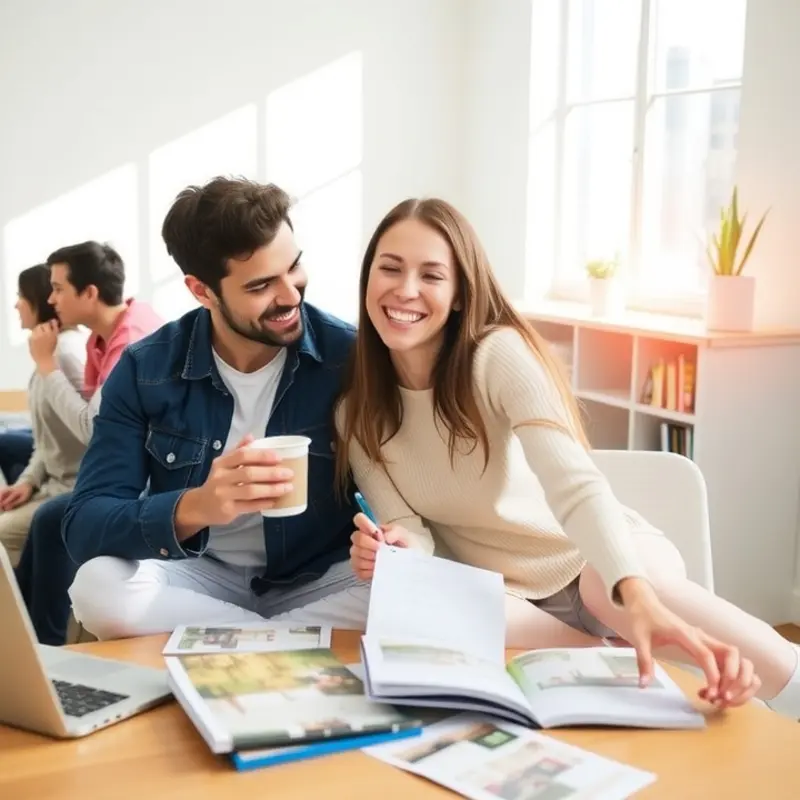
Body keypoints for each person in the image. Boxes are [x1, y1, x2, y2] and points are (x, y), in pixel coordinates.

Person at [340, 197, 800, 719]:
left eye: (431, 275)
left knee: (607, 592)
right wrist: (396, 549)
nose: (405, 290)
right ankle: (612, 661)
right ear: (368, 278)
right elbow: (412, 532)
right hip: (512, 599)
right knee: (427, 607)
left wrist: (636, 592)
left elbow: (574, 482)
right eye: (391, 268)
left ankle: (789, 676)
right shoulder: (358, 414)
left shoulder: (496, 356)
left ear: (461, 294)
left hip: (597, 558)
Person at [62, 177, 368, 640]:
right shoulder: (147, 369)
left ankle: (244, 641)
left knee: (407, 586)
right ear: (202, 291)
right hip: (201, 578)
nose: (290, 296)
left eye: (294, 267)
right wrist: (196, 506)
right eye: (262, 285)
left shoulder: (349, 356)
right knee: (96, 588)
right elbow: (85, 522)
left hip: (318, 578)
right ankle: (287, 641)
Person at [14, 242, 163, 645]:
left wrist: (47, 367)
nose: (50, 299)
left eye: (58, 288)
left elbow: (91, 430)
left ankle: (44, 645)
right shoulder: (102, 338)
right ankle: (22, 639)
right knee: (47, 515)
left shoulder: (130, 340)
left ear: (90, 293)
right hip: (126, 466)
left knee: (51, 518)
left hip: (152, 475)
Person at [0, 264, 87, 565]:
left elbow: (92, 430)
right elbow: (44, 441)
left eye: (20, 296)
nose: (15, 304)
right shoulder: (49, 352)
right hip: (53, 484)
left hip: (72, 490)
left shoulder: (66, 353)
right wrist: (27, 482)